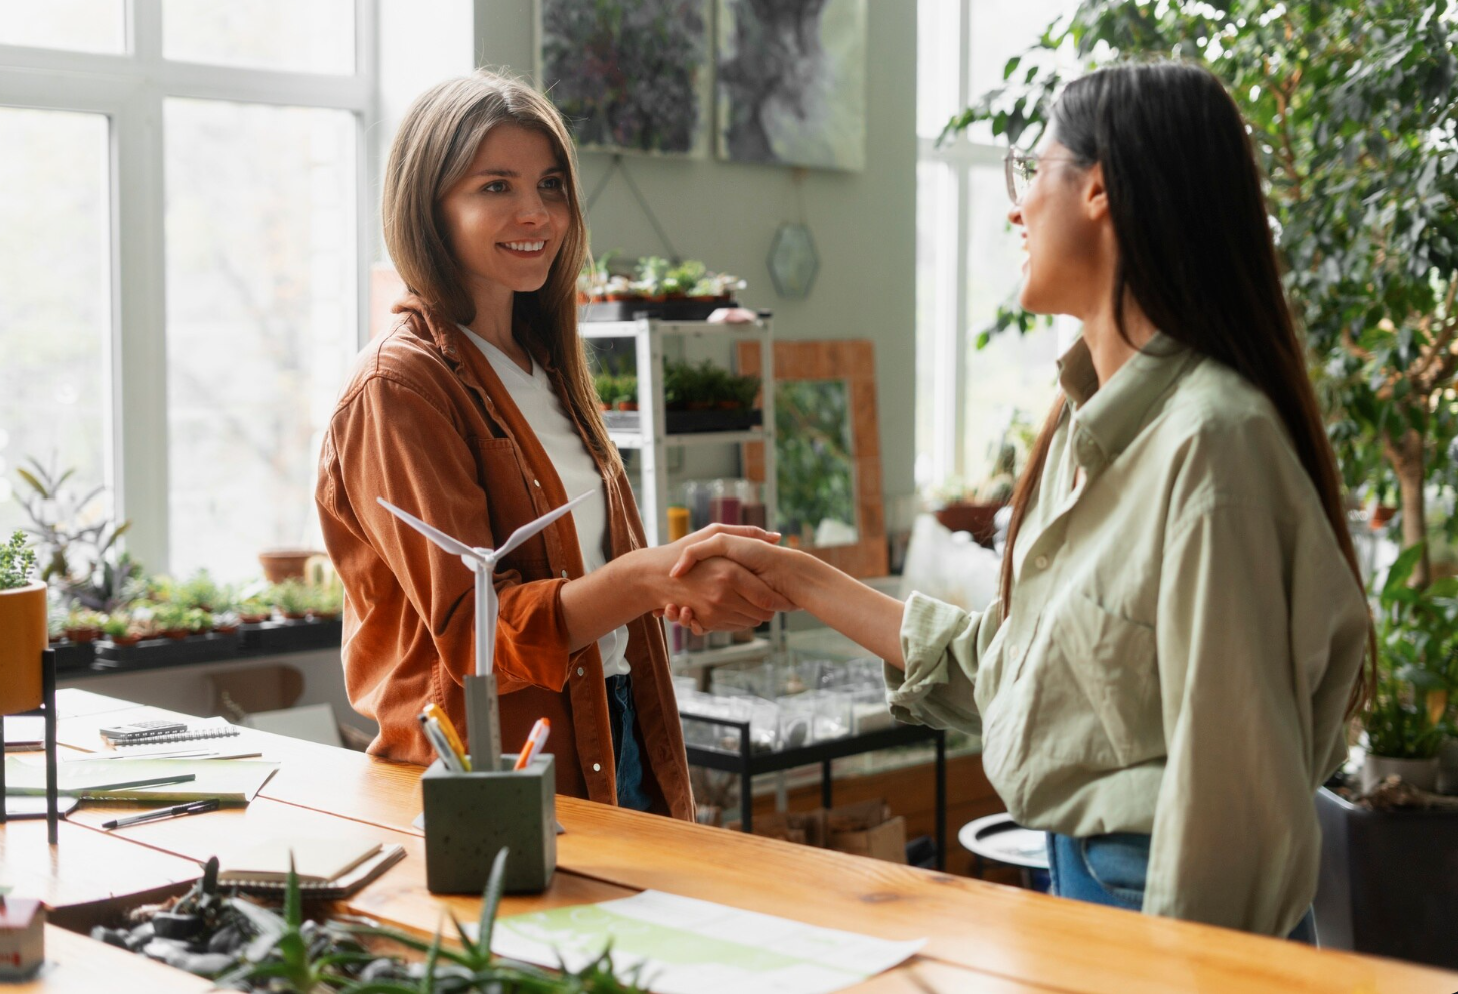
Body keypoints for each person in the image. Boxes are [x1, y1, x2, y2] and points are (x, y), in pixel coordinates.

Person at [663, 61, 1374, 938]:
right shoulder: (1088, 427)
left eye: (1032, 172)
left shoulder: (1211, 445)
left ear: (1099, 189)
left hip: (1169, 913)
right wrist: (796, 577)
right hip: (1091, 887)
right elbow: (1009, 674)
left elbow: (1235, 796)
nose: (1016, 207)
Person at [316, 69, 789, 819]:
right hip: (488, 780)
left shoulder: (545, 364)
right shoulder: (399, 387)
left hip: (616, 726)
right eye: (495, 186)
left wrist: (679, 587)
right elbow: (478, 633)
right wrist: (647, 579)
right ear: (429, 206)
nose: (535, 212)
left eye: (551, 185)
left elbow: (584, 577)